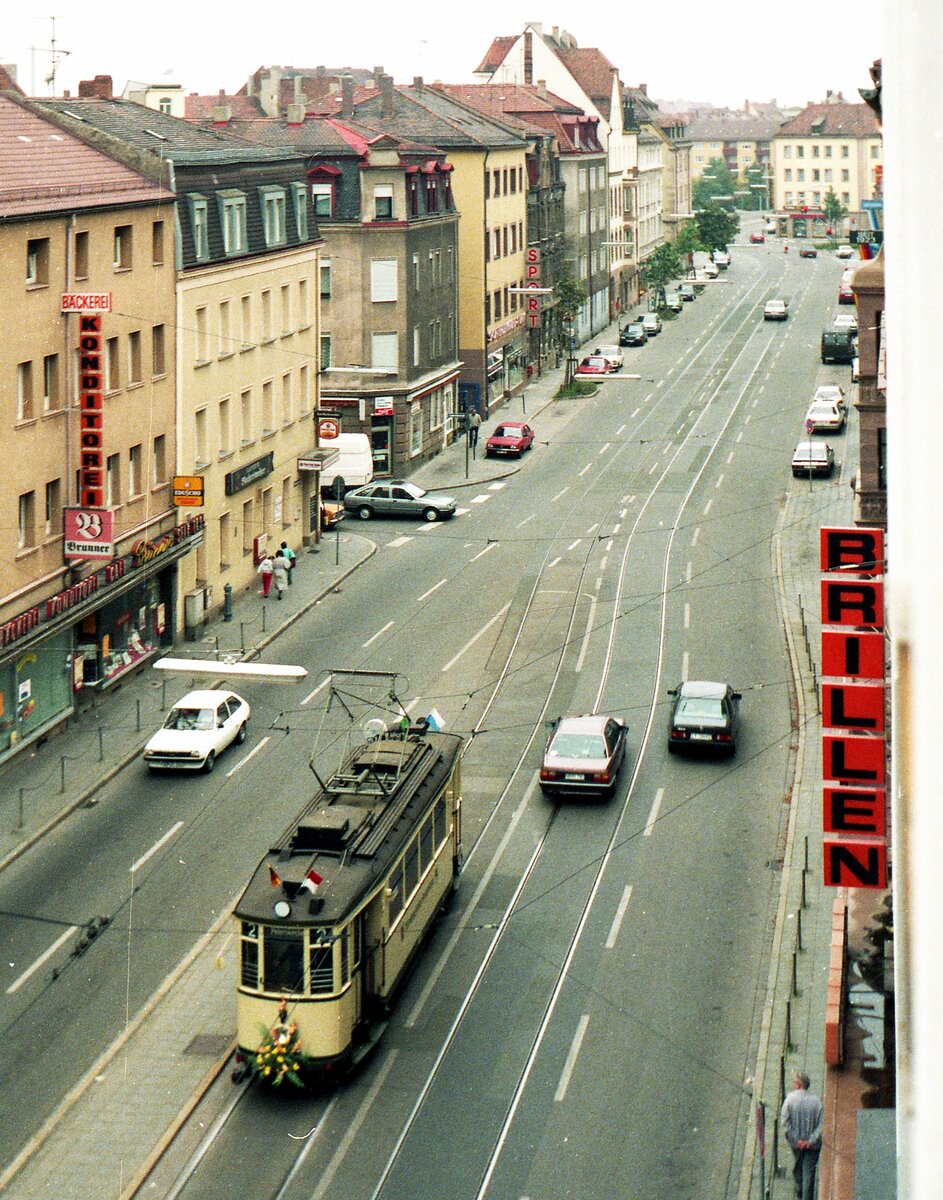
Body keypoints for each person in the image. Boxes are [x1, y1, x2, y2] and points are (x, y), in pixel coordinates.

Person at [781, 1071, 823, 1200]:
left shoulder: (789, 1100)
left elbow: (785, 1124)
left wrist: (796, 1140)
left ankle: (799, 1189)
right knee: (809, 1173)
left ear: (798, 1085)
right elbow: (822, 1125)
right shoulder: (817, 1102)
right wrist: (810, 1141)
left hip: (796, 1145)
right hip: (812, 1146)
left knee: (798, 1165)